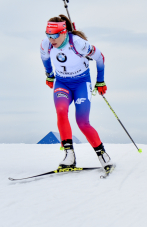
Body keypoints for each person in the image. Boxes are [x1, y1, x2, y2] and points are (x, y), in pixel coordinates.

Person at [40, 15, 114, 171]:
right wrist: (49, 75)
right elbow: (45, 59)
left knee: (82, 122)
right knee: (61, 111)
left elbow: (100, 58)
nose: (51, 39)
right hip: (62, 83)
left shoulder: (78, 44)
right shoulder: (46, 45)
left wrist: (100, 80)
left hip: (81, 83)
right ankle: (69, 156)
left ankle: (103, 155)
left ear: (64, 32)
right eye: (48, 35)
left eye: (54, 35)